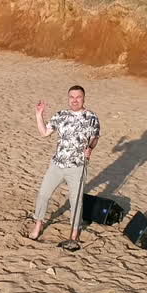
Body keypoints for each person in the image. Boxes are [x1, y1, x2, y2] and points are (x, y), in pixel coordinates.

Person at [28, 85, 101, 242]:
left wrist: (90, 148)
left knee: (76, 201)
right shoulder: (61, 115)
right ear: (68, 99)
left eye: (78, 97)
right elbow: (44, 133)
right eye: (72, 97)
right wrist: (39, 115)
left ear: (84, 98)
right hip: (57, 165)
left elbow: (95, 138)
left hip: (77, 166)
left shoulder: (92, 117)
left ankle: (74, 232)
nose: (75, 100)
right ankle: (38, 225)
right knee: (43, 194)